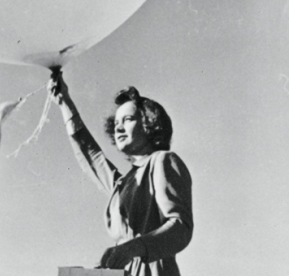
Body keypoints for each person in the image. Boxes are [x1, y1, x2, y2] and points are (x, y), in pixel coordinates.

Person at [48, 71, 193, 276]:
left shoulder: (163, 160)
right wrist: (64, 103)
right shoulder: (124, 183)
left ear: (149, 124)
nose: (119, 128)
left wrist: (135, 247)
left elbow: (181, 227)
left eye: (128, 120)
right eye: (116, 124)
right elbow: (92, 156)